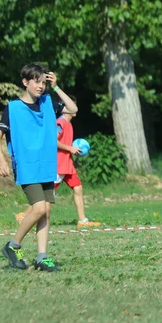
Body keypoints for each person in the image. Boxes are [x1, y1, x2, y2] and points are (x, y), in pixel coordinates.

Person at [0, 63, 78, 272]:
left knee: (46, 211)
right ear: (25, 82)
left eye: (43, 82)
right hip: (27, 166)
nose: (40, 86)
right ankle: (13, 246)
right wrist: (1, 160)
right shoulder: (13, 108)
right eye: (36, 82)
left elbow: (73, 109)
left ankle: (42, 257)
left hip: (46, 165)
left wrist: (56, 87)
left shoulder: (48, 102)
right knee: (38, 208)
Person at [14, 95, 100, 228]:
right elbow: (53, 141)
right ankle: (24, 215)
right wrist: (69, 148)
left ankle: (83, 221)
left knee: (78, 188)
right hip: (58, 166)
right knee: (43, 198)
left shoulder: (68, 124)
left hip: (67, 165)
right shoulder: (60, 123)